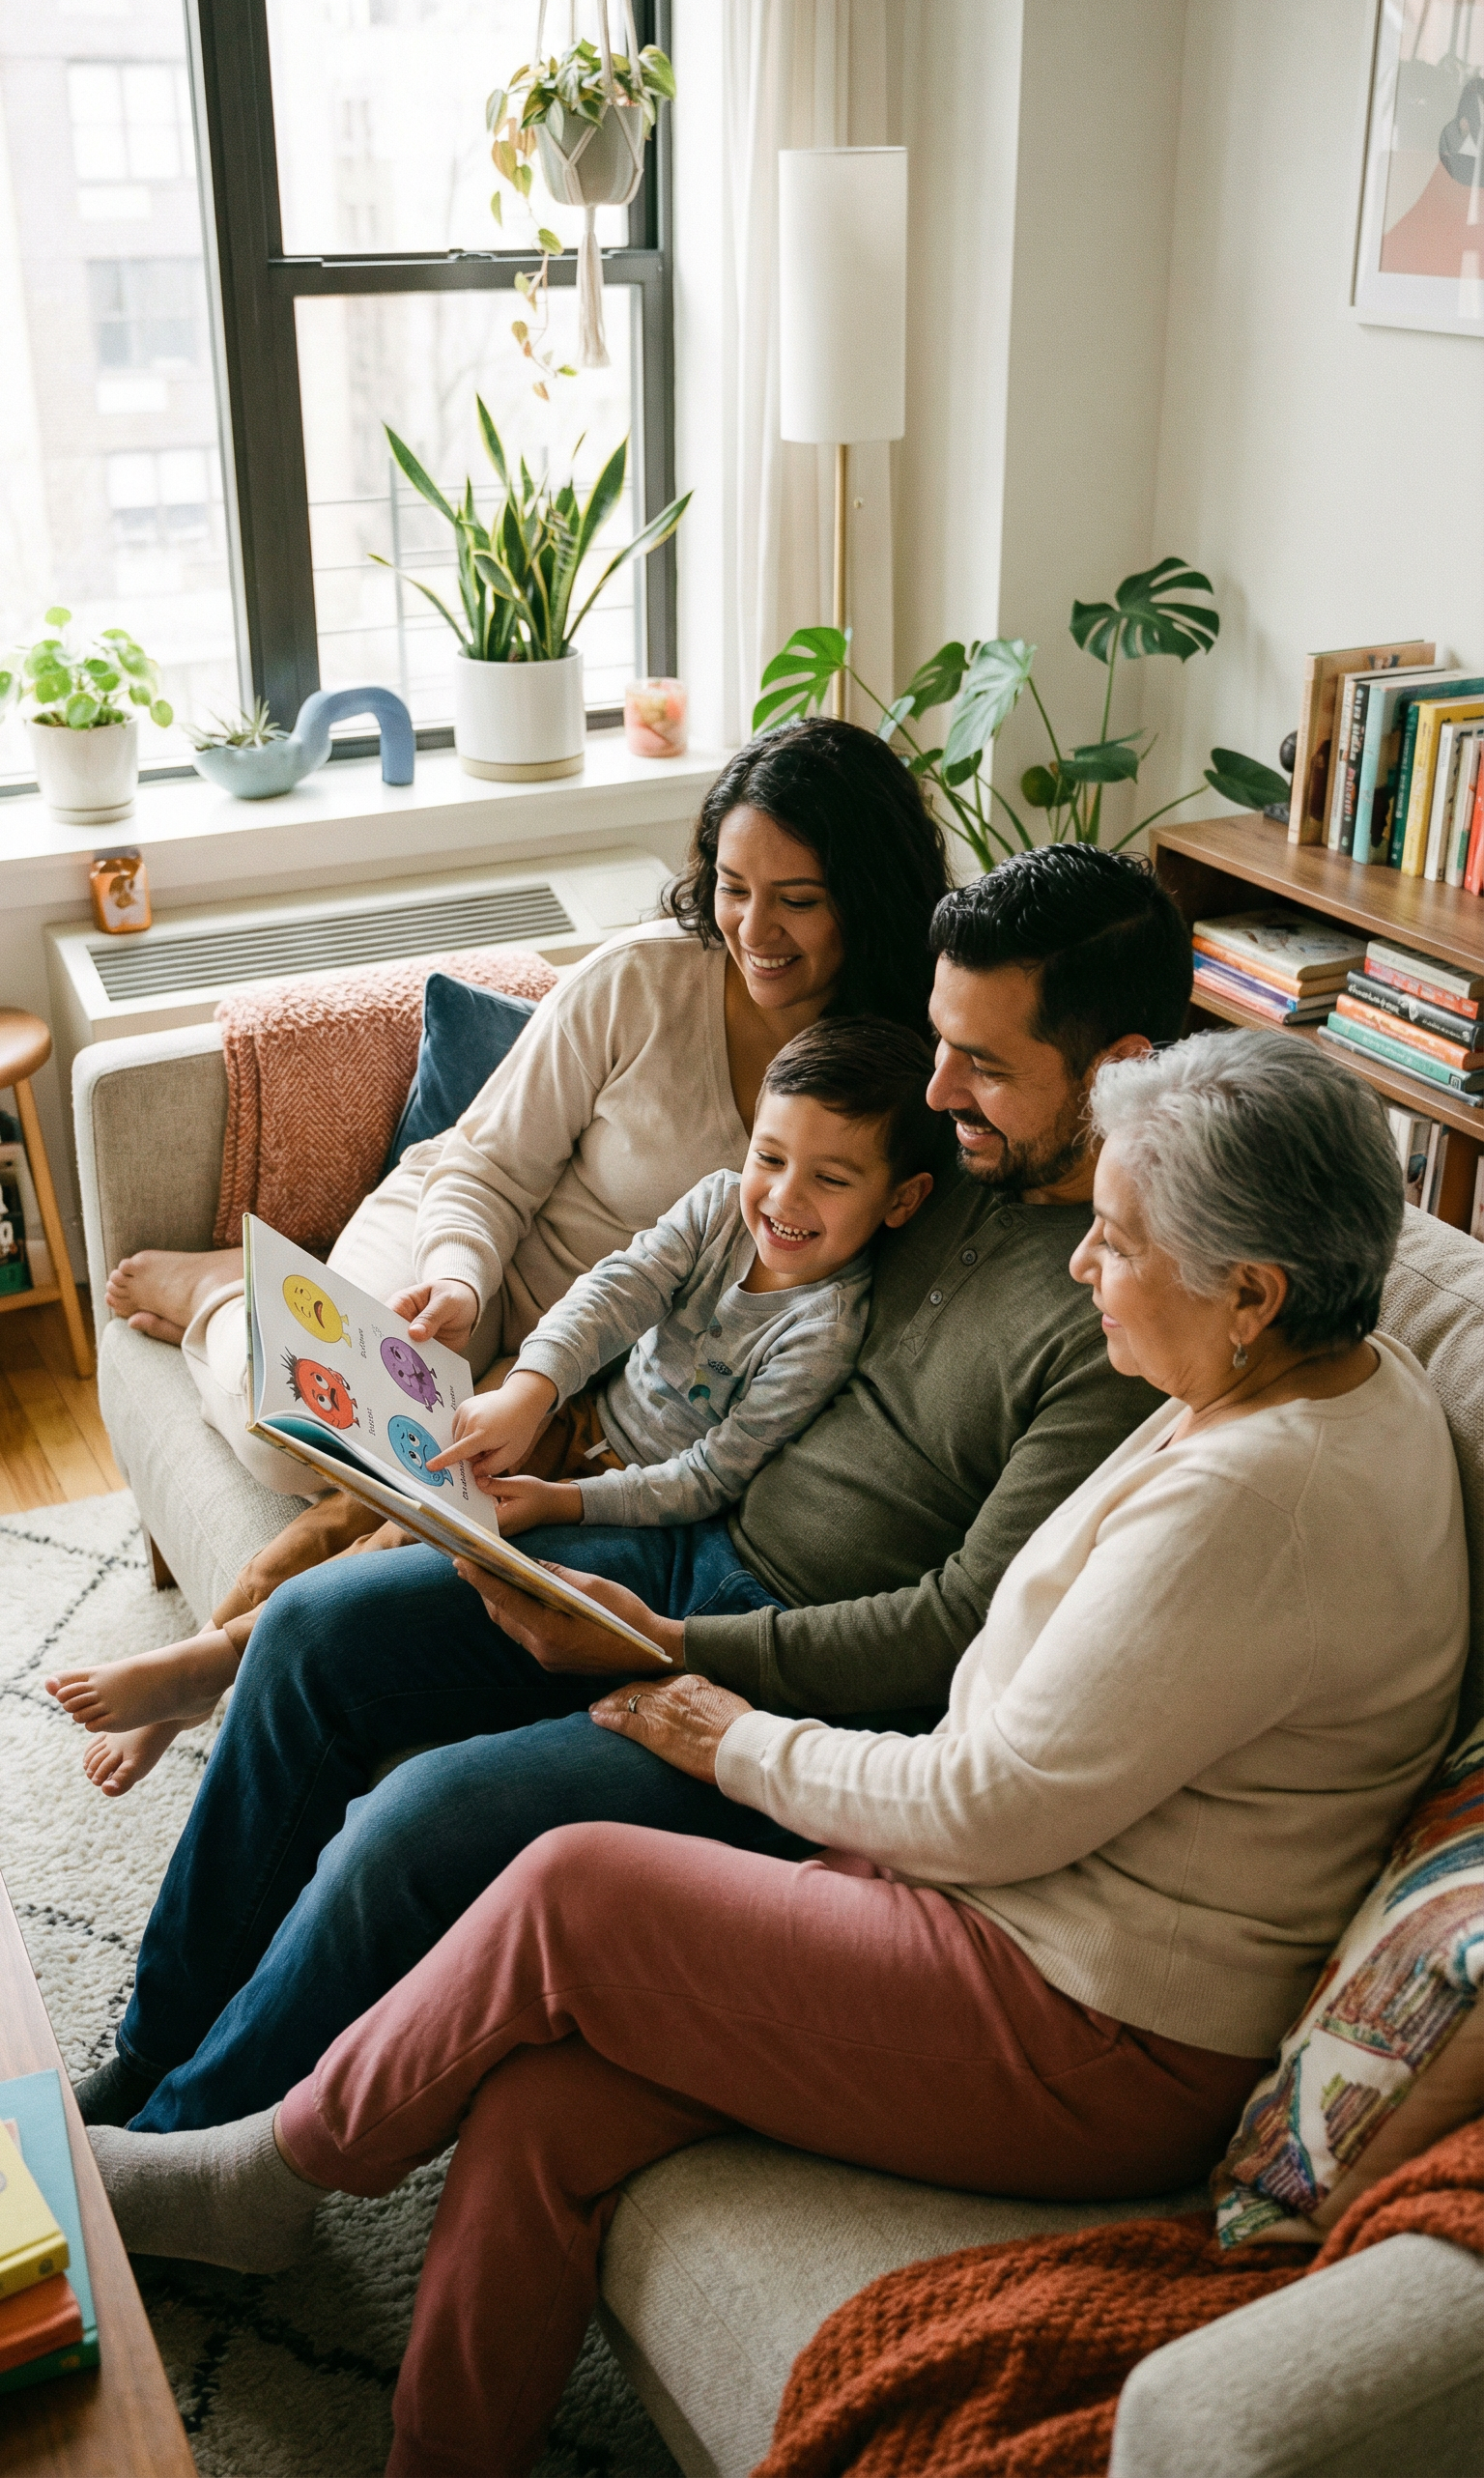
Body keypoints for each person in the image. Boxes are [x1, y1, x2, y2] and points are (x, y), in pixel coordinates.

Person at [90, 1026, 1469, 2478]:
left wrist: (726, 1729)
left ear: (1252, 1291)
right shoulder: (1281, 1386)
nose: (1080, 1264)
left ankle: (266, 2173)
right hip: (1014, 1924)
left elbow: (987, 1803)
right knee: (548, 2102)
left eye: (1117, 1245)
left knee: (571, 1887)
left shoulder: (1267, 1502)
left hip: (1092, 2025)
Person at [77, 844, 1191, 2137]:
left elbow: (952, 1629)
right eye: (942, 1046)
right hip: (675, 1543)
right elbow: (717, 1229)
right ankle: (150, 2052)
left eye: (982, 1065)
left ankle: (183, 2144)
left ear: (1115, 1074)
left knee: (423, 1818)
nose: (938, 1088)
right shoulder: (939, 1157)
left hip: (789, 1685)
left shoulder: (1126, 1308)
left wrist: (671, 1650)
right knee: (312, 1635)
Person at [80, 718, 952, 1792]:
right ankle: (224, 1291)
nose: (753, 928)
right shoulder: (643, 979)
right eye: (732, 885)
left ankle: (209, 1657)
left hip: (594, 1364)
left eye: (798, 900)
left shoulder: (892, 1075)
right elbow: (487, 1165)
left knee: (408, 1480)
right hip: (473, 1245)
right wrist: (455, 1281)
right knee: (296, 1446)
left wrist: (545, 1401)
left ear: (865, 893)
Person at [51, 1020, 939, 1735]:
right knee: (344, 1506)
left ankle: (213, 1664)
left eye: (830, 1179)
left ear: (902, 1201)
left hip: (607, 1489)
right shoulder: (717, 1203)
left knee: (401, 1541)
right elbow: (615, 1291)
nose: (783, 1199)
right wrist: (532, 1387)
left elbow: (711, 1477)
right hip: (563, 1405)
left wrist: (562, 1504)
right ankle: (198, 1673)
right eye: (771, 1158)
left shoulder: (826, 1328)